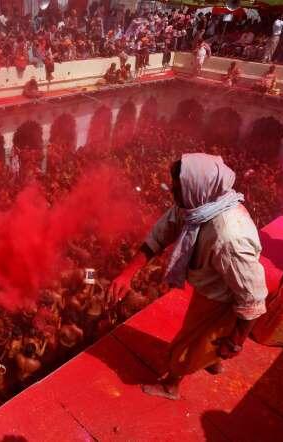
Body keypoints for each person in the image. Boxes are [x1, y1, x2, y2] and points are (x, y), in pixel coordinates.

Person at [110, 153, 267, 400]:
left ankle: (171, 384)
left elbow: (253, 299)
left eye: (176, 189)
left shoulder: (230, 237)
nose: (171, 193)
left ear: (197, 188)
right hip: (212, 283)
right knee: (207, 338)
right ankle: (211, 359)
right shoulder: (194, 204)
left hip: (226, 295)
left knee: (187, 344)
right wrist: (127, 273)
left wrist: (237, 342)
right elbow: (161, 235)